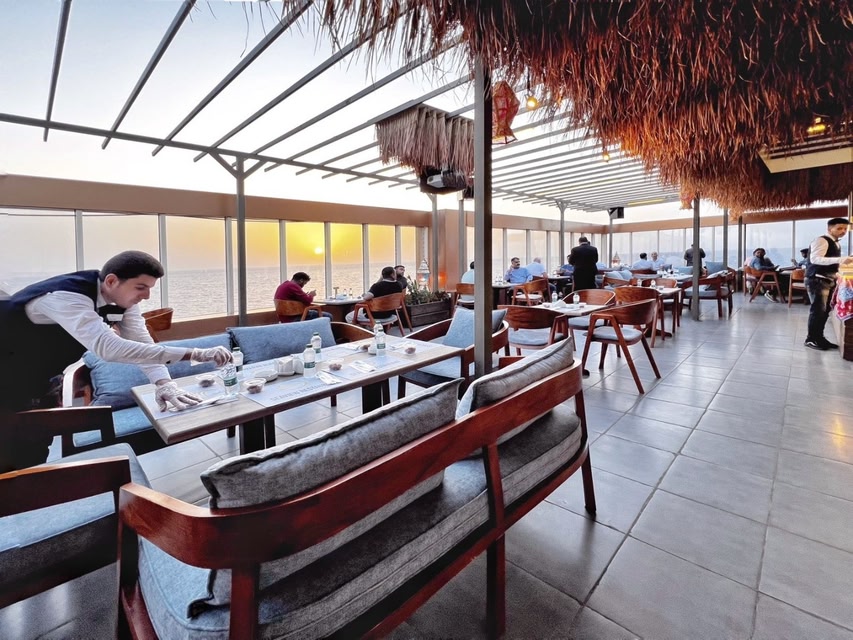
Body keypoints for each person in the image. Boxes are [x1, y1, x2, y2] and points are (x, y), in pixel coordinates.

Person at [0, 251, 232, 471]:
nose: (147, 296)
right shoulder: (65, 296)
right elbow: (108, 348)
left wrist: (164, 383)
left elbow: (142, 344)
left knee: (33, 457)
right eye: (141, 287)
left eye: (150, 288)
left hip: (40, 384)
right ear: (111, 281)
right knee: (6, 460)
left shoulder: (123, 303)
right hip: (5, 383)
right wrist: (195, 353)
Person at [804, 218, 853, 350]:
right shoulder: (821, 240)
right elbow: (815, 259)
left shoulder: (836, 243)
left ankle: (819, 338)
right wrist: (841, 259)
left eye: (845, 229)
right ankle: (811, 339)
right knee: (818, 310)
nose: (843, 231)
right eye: (839, 228)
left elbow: (830, 262)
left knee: (825, 311)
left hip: (827, 279)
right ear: (829, 229)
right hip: (817, 280)